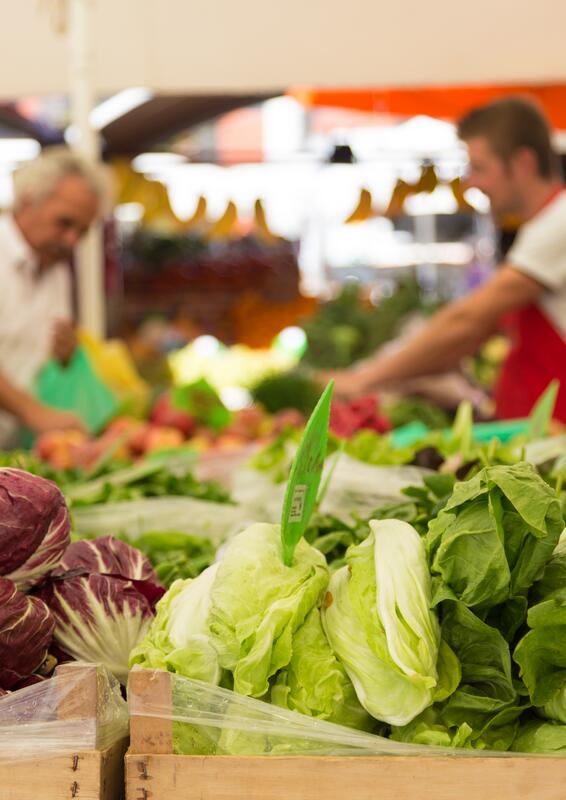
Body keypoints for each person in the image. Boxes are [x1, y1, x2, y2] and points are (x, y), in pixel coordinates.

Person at [323, 97, 566, 422]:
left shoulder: (558, 223)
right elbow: (472, 333)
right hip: (536, 434)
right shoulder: (539, 228)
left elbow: (468, 321)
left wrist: (363, 379)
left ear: (523, 163)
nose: (470, 183)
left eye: (480, 167)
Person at [0, 147, 107, 448]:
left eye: (83, 231)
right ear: (27, 201)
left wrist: (64, 354)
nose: (73, 240)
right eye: (64, 223)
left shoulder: (57, 272)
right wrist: (34, 413)